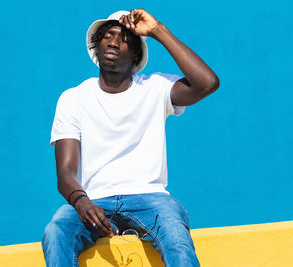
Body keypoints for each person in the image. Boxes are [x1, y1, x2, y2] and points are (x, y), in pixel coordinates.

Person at [42, 9, 219, 267]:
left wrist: (158, 30)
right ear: (97, 44)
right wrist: (81, 202)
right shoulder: (73, 99)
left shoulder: (155, 87)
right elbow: (66, 173)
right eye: (108, 35)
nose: (113, 42)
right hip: (94, 199)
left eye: (124, 38)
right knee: (56, 231)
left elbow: (207, 83)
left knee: (176, 237)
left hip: (151, 198)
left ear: (136, 53)